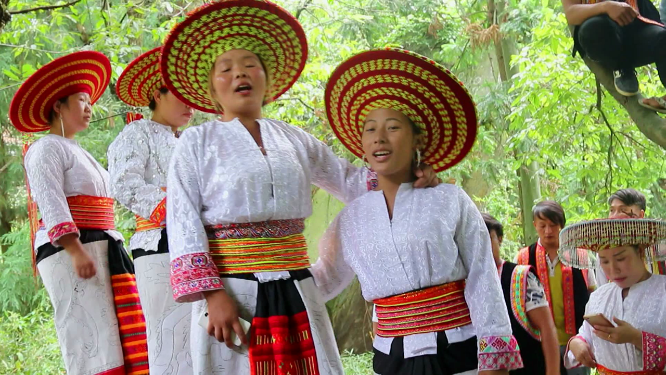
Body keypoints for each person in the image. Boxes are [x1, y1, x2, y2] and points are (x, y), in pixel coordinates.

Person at [160, 2, 440, 374]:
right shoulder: (196, 142)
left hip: (296, 286)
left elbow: (352, 180)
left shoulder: (294, 139)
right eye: (226, 69)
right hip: (233, 292)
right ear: (212, 86)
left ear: (266, 78)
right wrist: (212, 295)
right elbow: (182, 220)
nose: (239, 73)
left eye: (250, 65)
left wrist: (409, 174)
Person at [312, 48, 523, 375]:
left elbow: (483, 276)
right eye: (370, 128)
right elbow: (323, 277)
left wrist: (495, 357)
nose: (380, 137)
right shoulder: (352, 218)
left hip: (457, 351)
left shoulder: (450, 199)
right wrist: (262, 291)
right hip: (390, 356)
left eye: (393, 127)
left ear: (416, 139)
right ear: (363, 145)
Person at [9, 51, 148, 374]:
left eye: (89, 101)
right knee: (92, 342)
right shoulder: (45, 147)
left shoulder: (78, 150)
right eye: (82, 100)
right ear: (59, 105)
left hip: (100, 246)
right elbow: (50, 198)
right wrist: (73, 249)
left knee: (121, 338)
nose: (89, 108)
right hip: (73, 249)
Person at [108, 46, 194, 374]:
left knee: (200, 337)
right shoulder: (137, 132)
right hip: (159, 245)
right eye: (181, 95)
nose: (190, 104)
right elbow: (124, 184)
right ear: (158, 94)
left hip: (198, 246)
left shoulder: (191, 141)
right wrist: (176, 208)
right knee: (167, 334)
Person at [561, 218, 666, 373]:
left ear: (640, 252)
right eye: (604, 261)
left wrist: (637, 338)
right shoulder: (599, 296)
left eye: (621, 259)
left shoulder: (662, 290)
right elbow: (586, 334)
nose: (613, 269)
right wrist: (577, 343)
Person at [515, 201, 595, 375]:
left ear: (562, 225)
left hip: (577, 341)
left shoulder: (579, 255)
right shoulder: (523, 258)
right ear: (535, 225)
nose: (548, 231)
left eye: (553, 225)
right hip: (539, 342)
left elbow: (593, 294)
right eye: (542, 225)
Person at [483, 213, 562, 375]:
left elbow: (547, 328)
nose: (482, 246)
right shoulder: (464, 284)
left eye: (488, 238)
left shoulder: (520, 277)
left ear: (500, 239)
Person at [561, 0, 666, 112]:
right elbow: (571, 13)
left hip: (640, 28)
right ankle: (621, 68)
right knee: (594, 28)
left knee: (663, 38)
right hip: (604, 36)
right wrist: (606, 7)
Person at [597, 188, 666, 287]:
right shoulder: (604, 250)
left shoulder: (659, 247)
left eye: (622, 210)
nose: (614, 217)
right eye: (612, 210)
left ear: (641, 215)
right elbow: (602, 285)